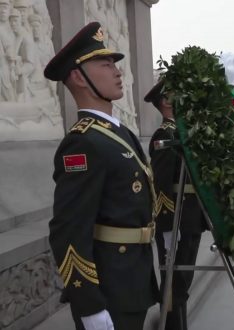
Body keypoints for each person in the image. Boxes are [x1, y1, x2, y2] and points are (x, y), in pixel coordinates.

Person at [45, 22, 158, 330]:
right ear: (78, 77)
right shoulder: (83, 142)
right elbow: (68, 231)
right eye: (105, 65)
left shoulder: (119, 133)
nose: (117, 72)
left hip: (132, 278)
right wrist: (90, 306)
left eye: (115, 65)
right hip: (110, 288)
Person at [145, 80, 208, 330]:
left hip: (190, 218)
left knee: (182, 283)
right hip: (178, 220)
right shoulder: (165, 136)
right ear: (166, 102)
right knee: (174, 285)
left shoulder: (180, 133)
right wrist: (169, 227)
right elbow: (161, 186)